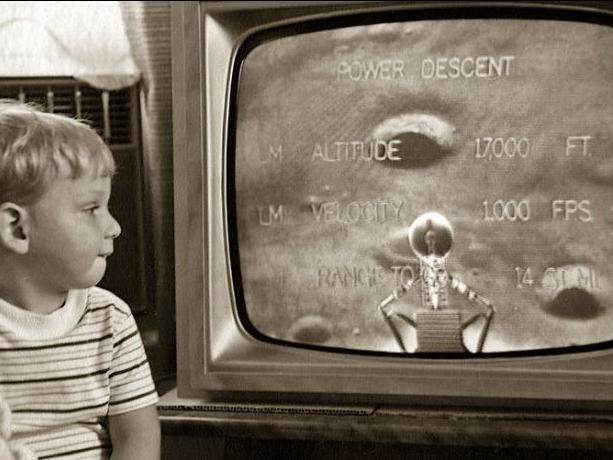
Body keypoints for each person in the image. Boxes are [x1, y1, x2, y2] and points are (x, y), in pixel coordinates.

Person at [0, 101, 160, 459]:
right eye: (91, 209)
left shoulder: (110, 318)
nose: (114, 227)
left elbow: (138, 437)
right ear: (17, 228)